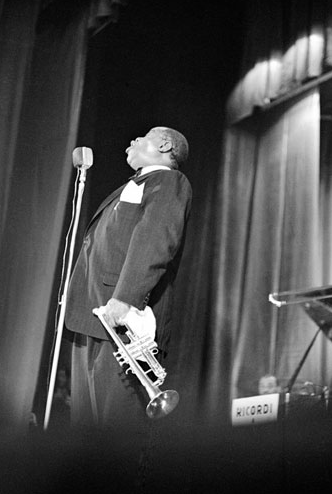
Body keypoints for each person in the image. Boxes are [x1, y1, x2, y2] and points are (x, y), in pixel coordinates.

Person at [65, 126, 192, 434]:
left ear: (163, 144)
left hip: (122, 321)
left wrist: (126, 298)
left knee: (114, 428)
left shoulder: (169, 180)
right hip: (92, 315)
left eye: (143, 137)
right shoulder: (136, 182)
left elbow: (156, 238)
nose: (132, 141)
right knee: (86, 429)